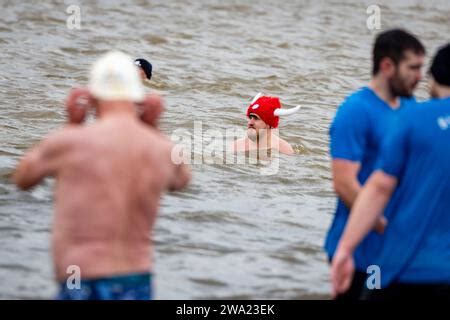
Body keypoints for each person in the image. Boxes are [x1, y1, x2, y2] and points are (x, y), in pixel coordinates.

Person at [13, 51, 191, 300]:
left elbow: (23, 178)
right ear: (139, 95)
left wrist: (71, 125)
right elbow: (181, 180)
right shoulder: (161, 148)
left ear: (92, 94)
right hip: (136, 278)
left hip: (80, 276)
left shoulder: (71, 141)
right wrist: (153, 128)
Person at [331, 44, 450, 300]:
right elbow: (344, 182)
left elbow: (380, 186)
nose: (418, 78)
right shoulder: (357, 109)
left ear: (435, 76)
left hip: (409, 265)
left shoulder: (415, 117)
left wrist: (345, 248)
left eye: (422, 69)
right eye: (413, 68)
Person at [232, 93, 300, 156]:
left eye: (256, 118)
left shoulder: (283, 148)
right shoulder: (237, 146)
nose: (250, 122)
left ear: (269, 124)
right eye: (250, 117)